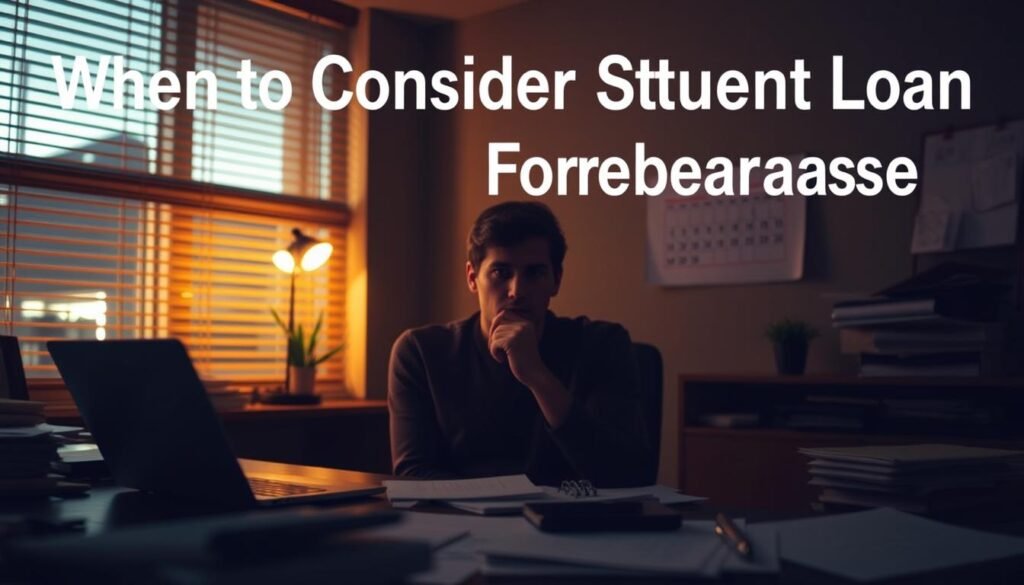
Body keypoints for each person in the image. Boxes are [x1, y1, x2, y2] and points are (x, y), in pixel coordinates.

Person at [387, 201, 652, 487]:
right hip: (467, 525)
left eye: (535, 273)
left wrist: (537, 376)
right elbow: (414, 475)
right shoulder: (421, 352)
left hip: (575, 526)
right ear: (472, 278)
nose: (517, 291)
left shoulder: (603, 344)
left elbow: (627, 473)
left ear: (556, 280)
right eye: (501, 273)